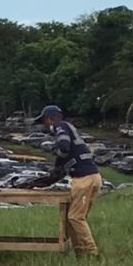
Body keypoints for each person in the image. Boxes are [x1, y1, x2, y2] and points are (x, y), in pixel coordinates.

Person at [31, 105, 102, 256]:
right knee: (73, 219)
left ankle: (91, 252)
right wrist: (42, 181)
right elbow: (61, 168)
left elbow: (63, 148)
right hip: (92, 177)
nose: (44, 126)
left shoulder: (60, 127)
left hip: (84, 178)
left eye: (44, 122)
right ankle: (80, 253)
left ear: (50, 119)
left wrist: (54, 149)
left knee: (75, 217)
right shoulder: (69, 129)